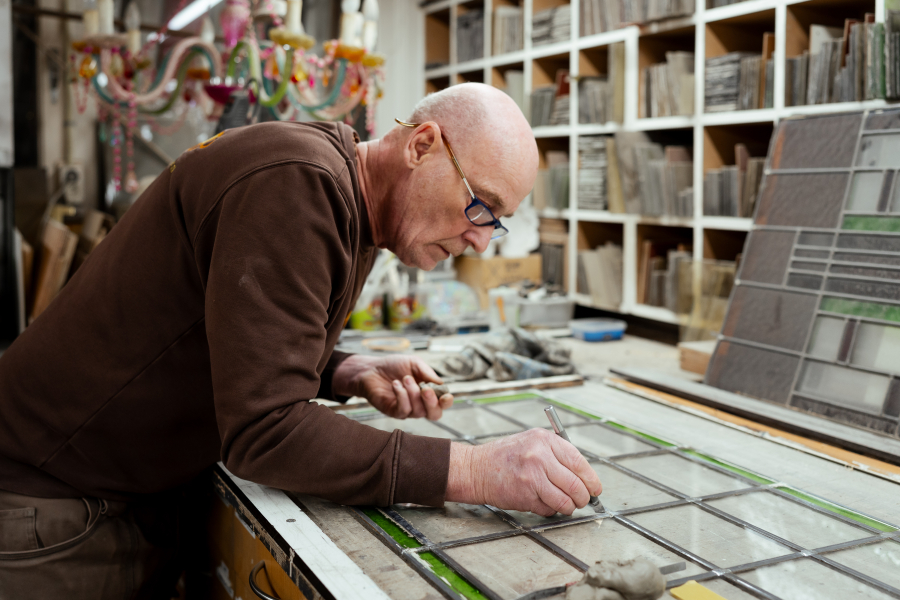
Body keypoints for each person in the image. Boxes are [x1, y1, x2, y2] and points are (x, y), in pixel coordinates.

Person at [0, 83, 601, 598]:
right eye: (479, 206)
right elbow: (264, 431)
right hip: (53, 510)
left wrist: (338, 370)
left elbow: (232, 330)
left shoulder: (349, 200)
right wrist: (471, 468)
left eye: (497, 221)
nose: (482, 241)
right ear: (421, 145)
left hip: (115, 496)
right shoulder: (295, 184)